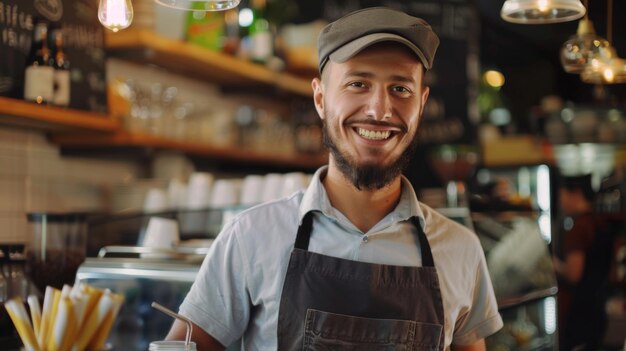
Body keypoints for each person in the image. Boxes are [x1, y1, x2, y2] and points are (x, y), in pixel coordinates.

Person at [166, 7, 503, 350]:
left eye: (400, 88)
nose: (379, 110)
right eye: (358, 83)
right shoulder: (251, 237)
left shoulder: (461, 250)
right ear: (320, 98)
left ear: (422, 103)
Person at [554, 174, 612, 351]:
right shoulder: (600, 221)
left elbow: (573, 274)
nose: (560, 201)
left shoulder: (578, 228)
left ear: (576, 193)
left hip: (580, 313)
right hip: (599, 309)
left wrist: (552, 263)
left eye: (561, 194)